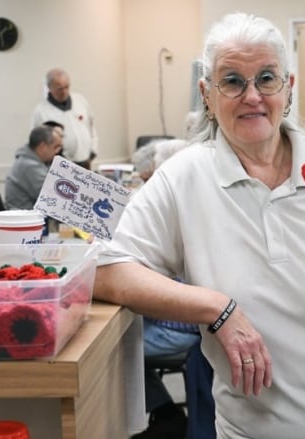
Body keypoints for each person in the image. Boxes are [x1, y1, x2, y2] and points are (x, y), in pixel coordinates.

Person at [96, 12, 305, 438]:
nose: (252, 95)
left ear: (288, 88)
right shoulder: (183, 179)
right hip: (254, 429)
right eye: (232, 81)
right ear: (207, 93)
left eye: (266, 78)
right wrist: (217, 309)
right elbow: (109, 270)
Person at [130, 137, 204, 439]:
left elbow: (159, 283)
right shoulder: (191, 203)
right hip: (182, 318)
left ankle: (165, 413)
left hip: (184, 325)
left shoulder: (185, 211)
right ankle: (165, 411)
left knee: (111, 351)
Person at [31, 68, 98, 169]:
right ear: (49, 87)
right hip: (61, 166)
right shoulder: (40, 111)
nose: (64, 91)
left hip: (86, 162)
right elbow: (37, 144)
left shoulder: (80, 100)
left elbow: (91, 127)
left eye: (67, 87)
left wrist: (93, 151)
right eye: (59, 88)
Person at [4, 125, 63, 210]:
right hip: (26, 218)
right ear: (42, 147)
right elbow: (53, 197)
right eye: (55, 147)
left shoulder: (28, 161)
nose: (57, 151)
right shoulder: (29, 167)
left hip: (27, 216)